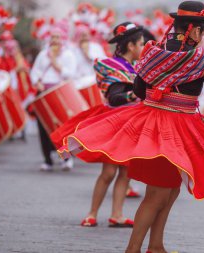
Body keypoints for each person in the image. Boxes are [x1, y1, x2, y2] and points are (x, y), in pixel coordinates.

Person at [58, 2, 204, 252]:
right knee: (157, 194)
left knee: (170, 190)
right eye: (202, 31)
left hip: (152, 123)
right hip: (174, 129)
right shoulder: (199, 58)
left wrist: (160, 92)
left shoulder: (152, 52)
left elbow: (140, 90)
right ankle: (133, 249)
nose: (202, 36)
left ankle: (156, 245)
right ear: (194, 31)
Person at [52, 22, 144, 227]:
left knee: (126, 172)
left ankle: (117, 215)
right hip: (116, 124)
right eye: (141, 44)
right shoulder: (115, 67)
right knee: (109, 172)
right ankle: (92, 213)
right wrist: (135, 94)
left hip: (131, 124)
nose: (143, 47)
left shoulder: (134, 67)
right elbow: (115, 98)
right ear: (131, 46)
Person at [30, 28, 77, 171]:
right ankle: (47, 160)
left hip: (60, 93)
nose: (55, 40)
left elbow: (70, 74)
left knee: (63, 128)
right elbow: (35, 71)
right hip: (43, 92)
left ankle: (67, 159)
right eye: (53, 37)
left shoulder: (68, 54)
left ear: (62, 38)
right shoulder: (43, 54)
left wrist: (55, 62)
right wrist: (36, 81)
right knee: (43, 127)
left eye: (58, 37)